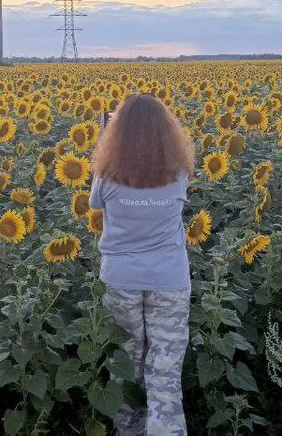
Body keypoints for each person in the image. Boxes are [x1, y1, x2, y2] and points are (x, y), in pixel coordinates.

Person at [89, 94, 195, 436]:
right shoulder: (178, 174)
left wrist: (102, 142)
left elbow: (94, 204)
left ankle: (128, 431)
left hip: (121, 280)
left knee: (125, 367)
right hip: (169, 280)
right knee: (164, 374)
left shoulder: (108, 175)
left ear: (117, 133)